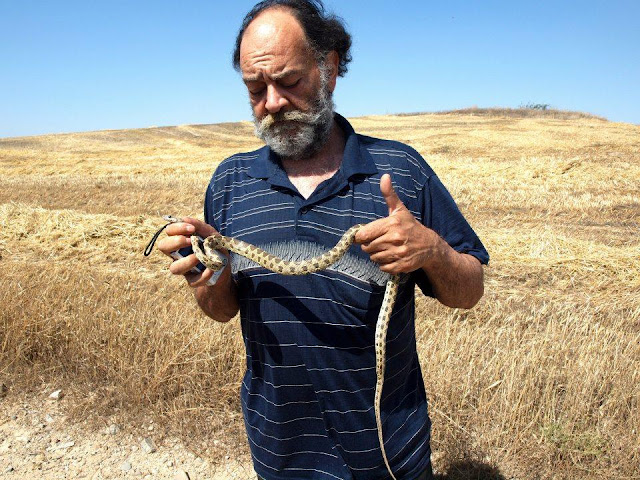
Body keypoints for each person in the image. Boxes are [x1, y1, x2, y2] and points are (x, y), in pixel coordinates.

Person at [157, 1, 489, 478]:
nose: (271, 103)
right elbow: (223, 309)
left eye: (288, 82)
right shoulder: (230, 182)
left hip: (386, 451)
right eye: (255, 89)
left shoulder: (402, 172)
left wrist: (432, 251)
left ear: (329, 69)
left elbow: (470, 290)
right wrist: (206, 272)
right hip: (280, 453)